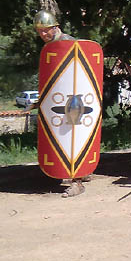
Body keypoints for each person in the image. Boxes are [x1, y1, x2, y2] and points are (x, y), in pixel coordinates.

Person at [33, 10, 87, 198]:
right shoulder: (51, 47)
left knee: (74, 139)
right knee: (59, 138)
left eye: (45, 30)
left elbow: (79, 76)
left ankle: (77, 182)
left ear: (55, 27)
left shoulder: (69, 44)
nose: (42, 35)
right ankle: (65, 172)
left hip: (74, 104)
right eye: (39, 31)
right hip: (59, 105)